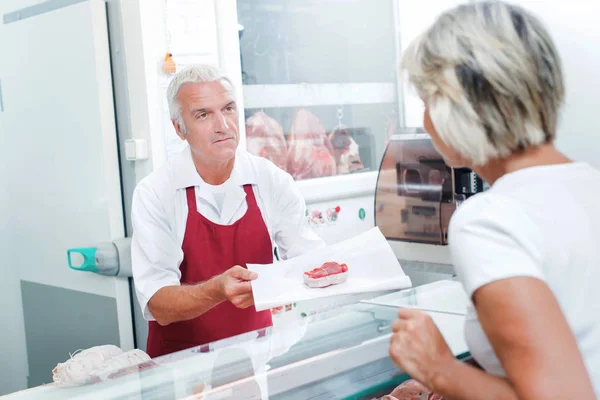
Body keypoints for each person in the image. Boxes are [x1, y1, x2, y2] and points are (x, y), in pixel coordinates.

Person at [386, 2, 599, 399]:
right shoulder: (589, 185)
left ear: (456, 108)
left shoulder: (489, 219)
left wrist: (440, 370)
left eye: (427, 102)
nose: (425, 120)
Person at [130, 65, 324, 358]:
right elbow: (158, 304)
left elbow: (310, 262)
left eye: (229, 109)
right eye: (203, 114)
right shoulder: (155, 193)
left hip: (256, 357)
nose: (223, 125)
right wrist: (216, 290)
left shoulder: (271, 180)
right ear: (179, 128)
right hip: (181, 368)